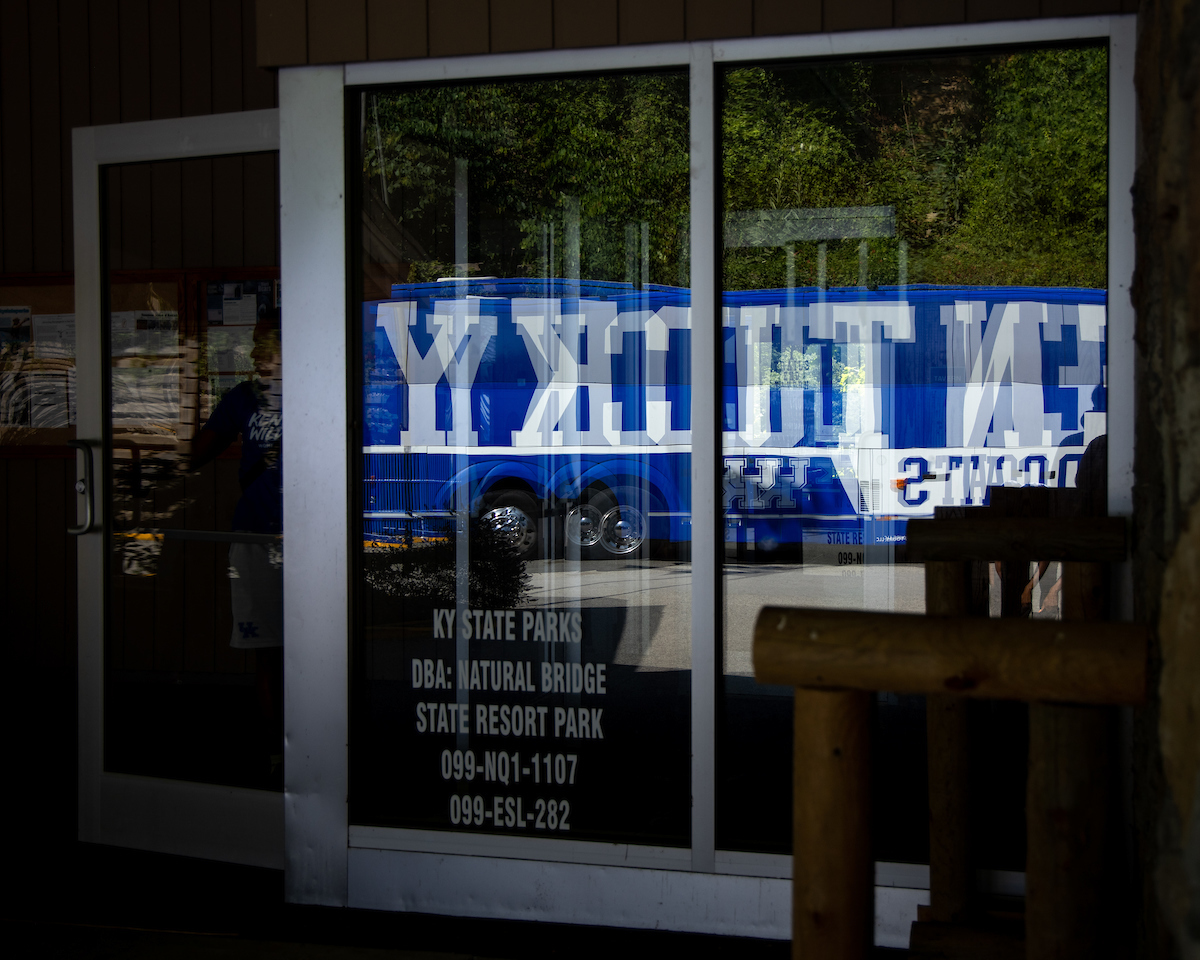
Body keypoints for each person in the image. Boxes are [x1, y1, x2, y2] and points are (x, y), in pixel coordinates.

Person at [191, 312, 283, 779]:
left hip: (317, 536)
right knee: (269, 651)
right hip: (255, 534)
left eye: (265, 343)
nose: (257, 353)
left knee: (320, 648)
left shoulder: (329, 388)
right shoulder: (244, 398)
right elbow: (196, 452)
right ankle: (277, 750)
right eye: (256, 344)